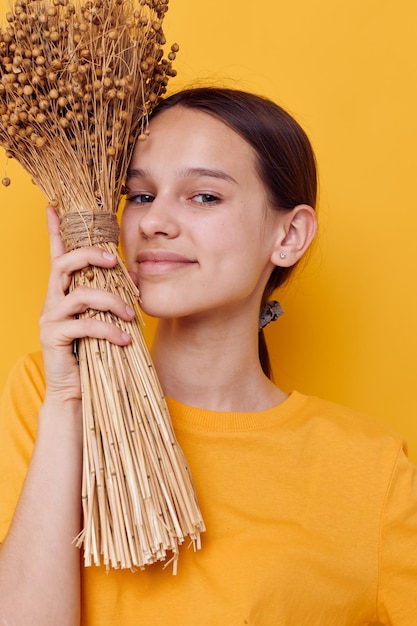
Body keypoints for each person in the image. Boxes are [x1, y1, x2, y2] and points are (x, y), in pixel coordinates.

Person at [0, 87, 416, 625]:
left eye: (204, 197)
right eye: (141, 195)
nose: (153, 222)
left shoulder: (371, 471)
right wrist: (67, 402)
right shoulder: (45, 393)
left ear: (288, 235)